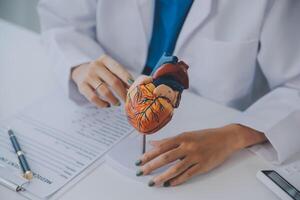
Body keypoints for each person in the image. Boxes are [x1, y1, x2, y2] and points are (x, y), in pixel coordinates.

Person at [38, 0, 300, 187]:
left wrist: (233, 136)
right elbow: (61, 20)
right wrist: (78, 63)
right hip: (102, 124)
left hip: (215, 139)